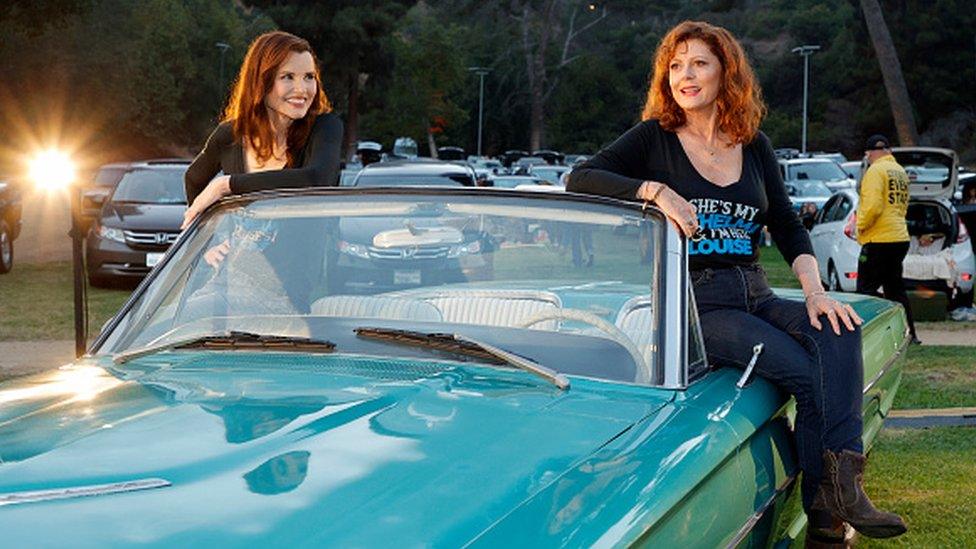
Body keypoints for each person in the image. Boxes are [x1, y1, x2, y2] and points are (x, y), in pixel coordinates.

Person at [566, 20, 906, 540]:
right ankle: (829, 514)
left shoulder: (753, 144)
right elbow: (580, 177)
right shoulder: (653, 138)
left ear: (726, 72)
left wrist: (815, 292)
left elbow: (788, 225)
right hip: (697, 304)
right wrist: (655, 191)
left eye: (699, 63)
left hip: (756, 291)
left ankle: (838, 495)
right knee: (807, 373)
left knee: (838, 330)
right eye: (676, 66)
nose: (686, 75)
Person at [182, 30, 343, 228]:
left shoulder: (325, 127)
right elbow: (193, 179)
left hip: (309, 260)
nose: (302, 89)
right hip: (239, 259)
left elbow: (317, 179)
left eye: (309, 77)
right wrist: (209, 241)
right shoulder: (229, 134)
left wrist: (226, 185)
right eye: (288, 77)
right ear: (261, 82)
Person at [855, 135, 918, 344]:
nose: (868, 158)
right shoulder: (900, 172)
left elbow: (873, 206)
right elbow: (903, 205)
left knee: (865, 290)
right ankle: (909, 334)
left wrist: (860, 226)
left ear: (872, 152)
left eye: (867, 154)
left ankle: (866, 335)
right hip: (899, 236)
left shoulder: (875, 171)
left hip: (879, 238)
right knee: (895, 289)